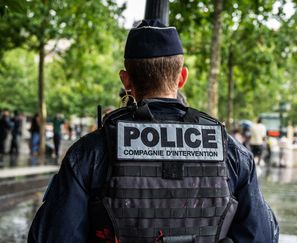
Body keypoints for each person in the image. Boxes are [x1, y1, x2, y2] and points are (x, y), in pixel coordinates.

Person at [28, 19, 278, 243]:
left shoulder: (89, 152)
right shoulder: (231, 151)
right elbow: (263, 235)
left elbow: (52, 235)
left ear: (126, 81)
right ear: (182, 77)